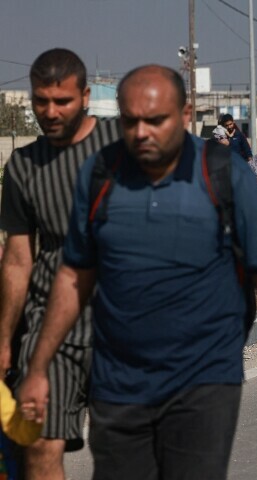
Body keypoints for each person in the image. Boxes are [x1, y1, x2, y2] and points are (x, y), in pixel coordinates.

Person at [15, 65, 257, 479]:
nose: (141, 132)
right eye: (130, 121)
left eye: (155, 120)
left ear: (185, 113)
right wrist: (37, 370)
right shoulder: (101, 173)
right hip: (118, 384)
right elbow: (73, 278)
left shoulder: (224, 173)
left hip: (204, 378)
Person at [0, 48, 121, 480]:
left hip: (123, 327)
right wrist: (4, 341)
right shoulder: (22, 167)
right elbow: (18, 259)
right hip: (51, 329)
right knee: (38, 444)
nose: (50, 112)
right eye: (40, 101)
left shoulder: (120, 145)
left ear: (85, 95)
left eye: (62, 101)